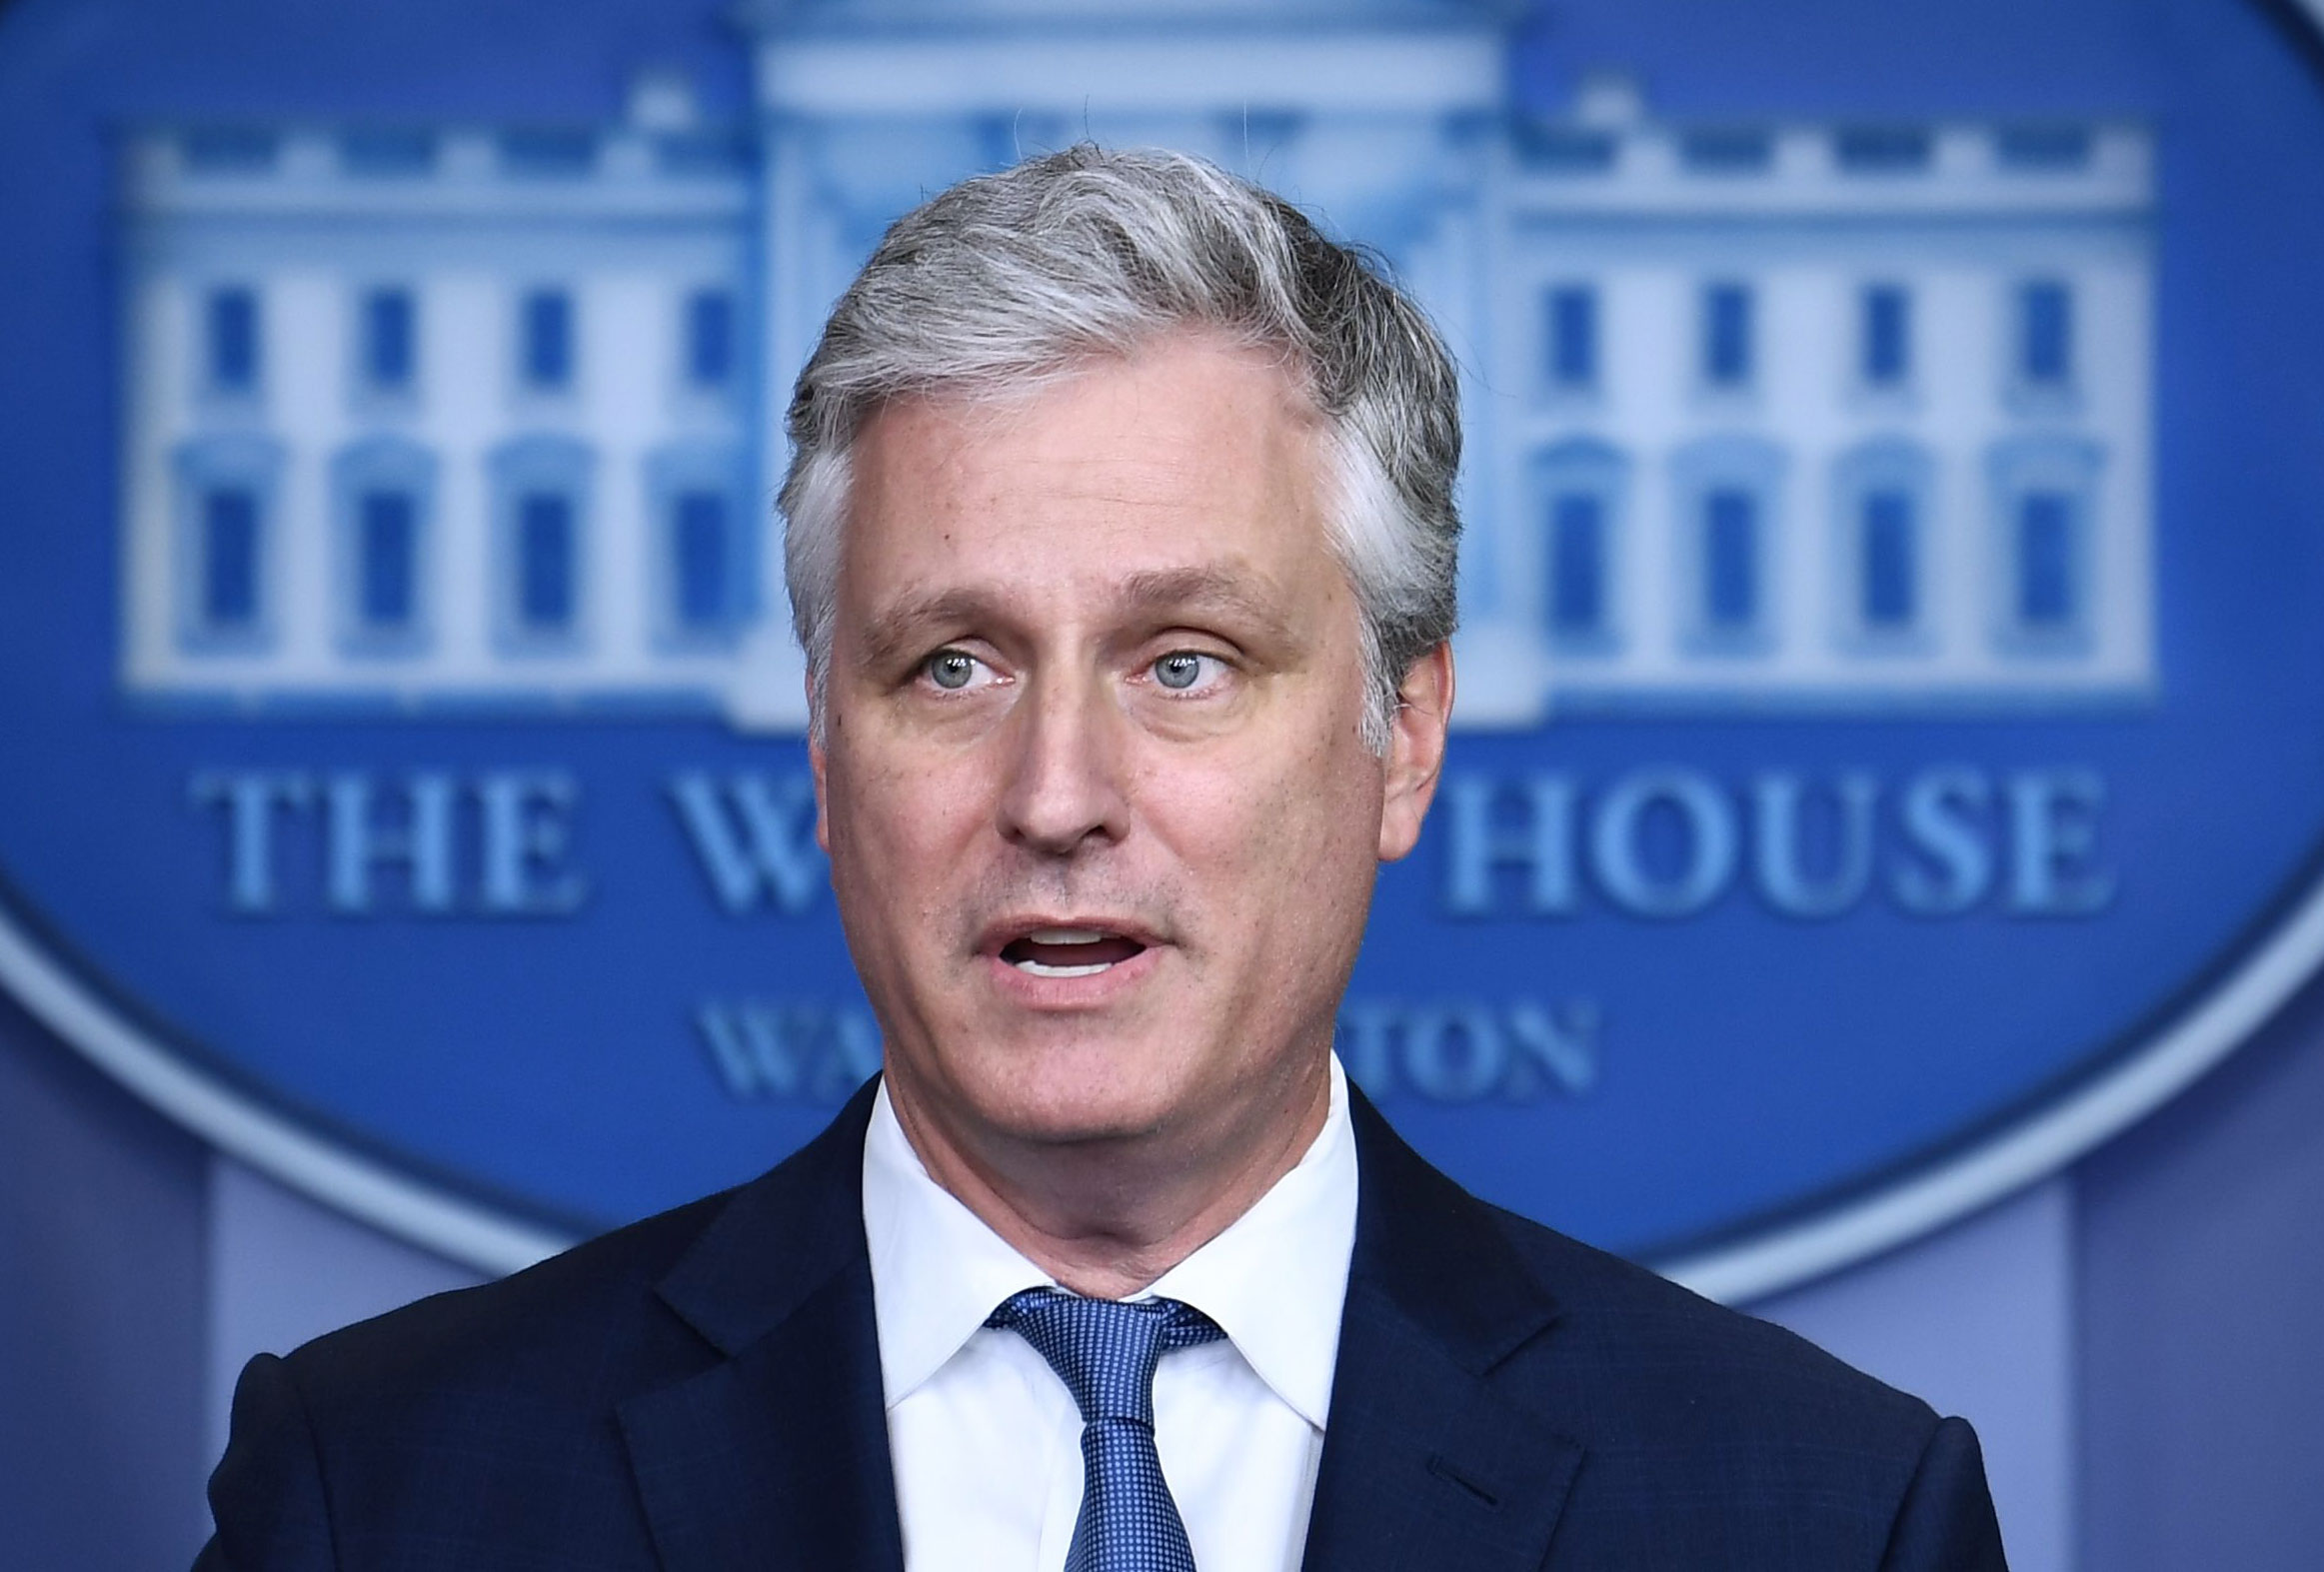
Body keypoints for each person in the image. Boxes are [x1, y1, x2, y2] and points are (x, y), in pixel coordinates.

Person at [195, 147, 2008, 1572]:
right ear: (828, 751)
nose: (1057, 790)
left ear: (1407, 735)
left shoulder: (1819, 1516)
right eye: (952, 664)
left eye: (1185, 663)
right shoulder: (389, 1488)